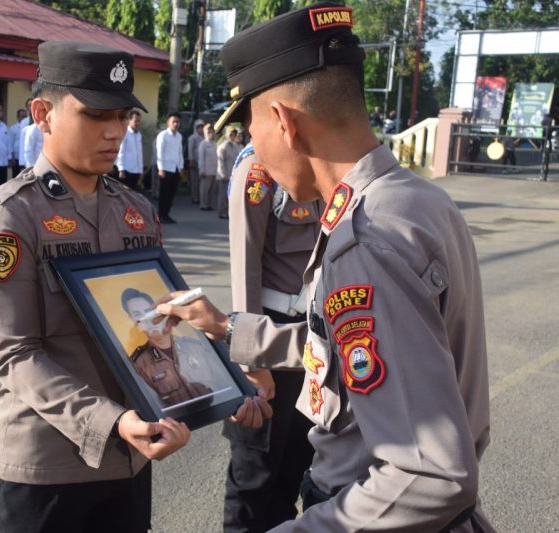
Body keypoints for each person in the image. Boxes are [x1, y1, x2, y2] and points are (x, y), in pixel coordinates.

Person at [159, 4, 494, 530]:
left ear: (284, 123)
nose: (253, 149)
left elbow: (429, 476)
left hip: (367, 508)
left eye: (251, 130)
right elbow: (349, 346)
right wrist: (230, 328)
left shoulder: (365, 239)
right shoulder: (415, 200)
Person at [0, 41, 216, 533]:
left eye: (121, 114)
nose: (115, 130)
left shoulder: (133, 209)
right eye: (95, 115)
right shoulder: (7, 219)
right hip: (47, 468)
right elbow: (14, 354)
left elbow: (158, 329)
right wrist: (112, 422)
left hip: (130, 460)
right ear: (43, 115)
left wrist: (221, 378)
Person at [222, 146, 321, 532]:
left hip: (310, 339)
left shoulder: (318, 162)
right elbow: (244, 267)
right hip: (265, 334)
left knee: (294, 470)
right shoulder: (258, 169)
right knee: (253, 476)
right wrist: (252, 362)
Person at [121, 288, 214, 407]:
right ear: (133, 321)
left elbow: (226, 385)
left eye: (148, 311)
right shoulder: (139, 364)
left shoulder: (195, 346)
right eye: (137, 314)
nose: (146, 319)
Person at [155, 112, 183, 223]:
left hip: (175, 168)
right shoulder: (163, 135)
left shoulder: (179, 136)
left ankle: (166, 214)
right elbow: (159, 153)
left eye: (178, 122)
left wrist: (180, 167)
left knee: (171, 193)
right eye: (174, 121)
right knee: (164, 194)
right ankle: (161, 215)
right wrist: (160, 168)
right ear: (168, 122)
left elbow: (180, 153)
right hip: (165, 168)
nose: (176, 124)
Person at [115, 109, 144, 190]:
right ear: (129, 120)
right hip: (126, 170)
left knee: (133, 195)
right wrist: (121, 169)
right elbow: (121, 151)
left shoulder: (139, 135)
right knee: (124, 194)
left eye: (139, 121)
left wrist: (141, 170)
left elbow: (139, 153)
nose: (137, 123)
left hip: (136, 170)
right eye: (135, 121)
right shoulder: (125, 133)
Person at [216, 126, 240, 220]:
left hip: (232, 175)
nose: (232, 136)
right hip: (224, 175)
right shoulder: (223, 146)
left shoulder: (235, 146)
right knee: (223, 195)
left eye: (234, 134)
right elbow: (220, 161)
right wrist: (223, 174)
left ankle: (228, 212)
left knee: (230, 195)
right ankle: (222, 212)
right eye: (230, 134)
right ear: (226, 135)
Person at [196, 123, 217, 211]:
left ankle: (209, 204)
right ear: (205, 133)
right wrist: (202, 170)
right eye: (208, 131)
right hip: (206, 170)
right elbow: (201, 158)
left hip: (214, 170)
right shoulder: (203, 144)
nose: (210, 133)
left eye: (211, 131)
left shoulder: (215, 143)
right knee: (204, 188)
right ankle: (203, 204)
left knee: (212, 189)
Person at [187, 119, 204, 204]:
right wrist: (191, 160)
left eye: (202, 127)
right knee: (194, 180)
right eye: (199, 127)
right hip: (195, 161)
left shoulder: (204, 137)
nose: (200, 129)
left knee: (201, 181)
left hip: (202, 163)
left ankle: (201, 197)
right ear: (196, 128)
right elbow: (190, 150)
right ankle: (195, 197)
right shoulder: (192, 138)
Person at [9, 108, 27, 177]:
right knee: (16, 176)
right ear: (17, 117)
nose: (23, 118)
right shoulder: (13, 128)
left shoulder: (28, 126)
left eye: (25, 116)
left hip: (25, 156)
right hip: (16, 157)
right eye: (22, 116)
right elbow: (10, 143)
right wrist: (12, 157)